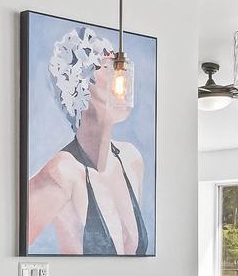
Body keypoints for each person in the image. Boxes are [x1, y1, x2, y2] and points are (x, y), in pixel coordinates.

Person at [25, 27, 149, 256]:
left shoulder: (131, 159)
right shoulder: (62, 173)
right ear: (79, 82)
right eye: (107, 67)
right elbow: (6, 238)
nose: (121, 82)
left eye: (119, 69)